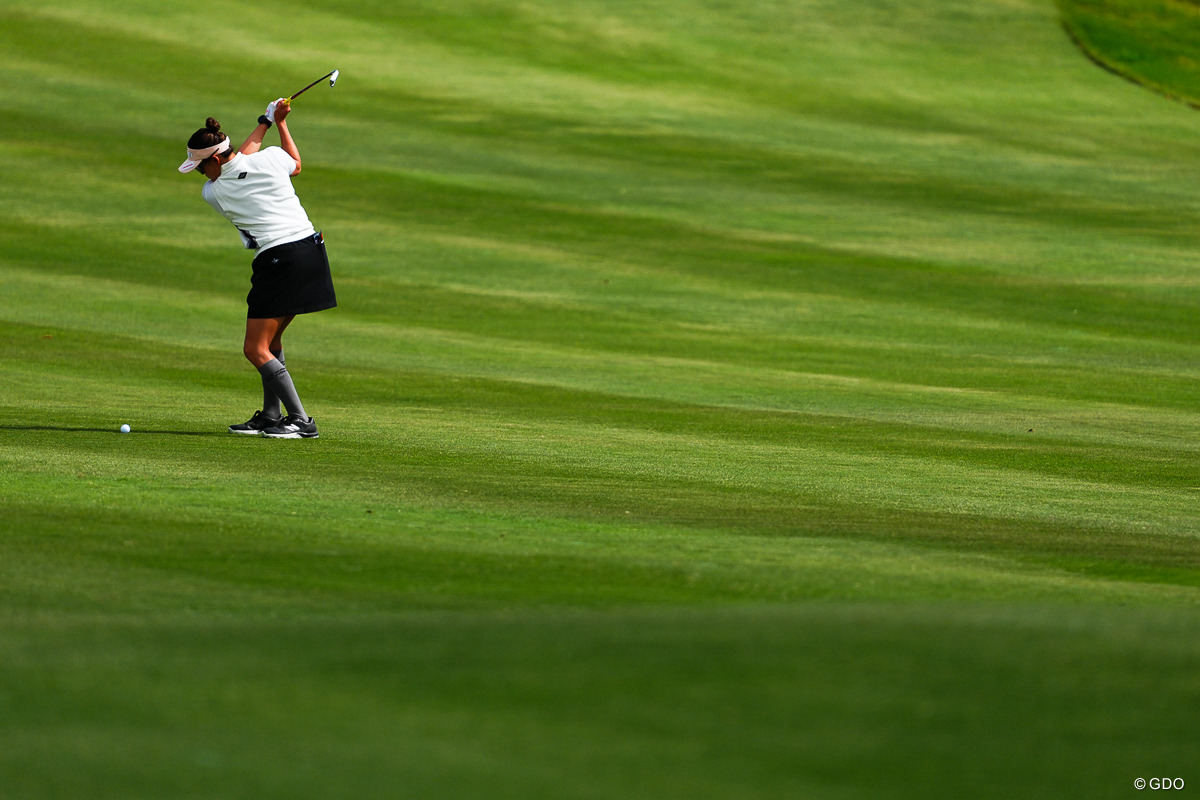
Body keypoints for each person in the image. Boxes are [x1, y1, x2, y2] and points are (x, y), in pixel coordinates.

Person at [178, 98, 335, 439]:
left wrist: (264, 121)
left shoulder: (215, 192)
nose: (201, 175)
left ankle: (301, 421)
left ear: (215, 160)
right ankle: (270, 415)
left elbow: (241, 159)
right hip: (311, 249)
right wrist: (276, 122)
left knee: (254, 348)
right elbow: (294, 164)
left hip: (279, 259)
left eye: (202, 167)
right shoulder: (272, 159)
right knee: (272, 340)